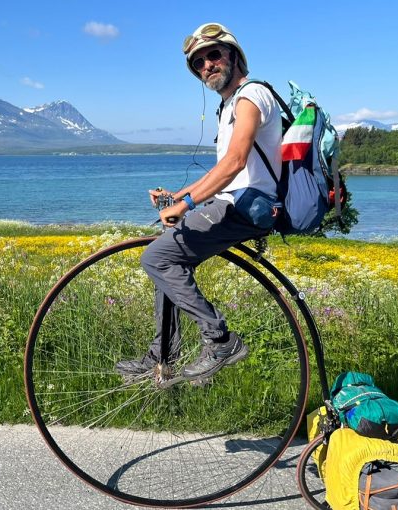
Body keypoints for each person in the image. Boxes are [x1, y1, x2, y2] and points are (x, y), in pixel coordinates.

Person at [115, 22, 283, 381]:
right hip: (235, 201)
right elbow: (224, 171)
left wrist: (187, 205)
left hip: (247, 207)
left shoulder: (252, 95)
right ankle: (163, 353)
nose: (207, 65)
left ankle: (220, 340)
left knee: (157, 259)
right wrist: (176, 197)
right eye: (199, 63)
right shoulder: (229, 106)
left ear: (234, 56)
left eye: (214, 55)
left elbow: (235, 163)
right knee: (168, 255)